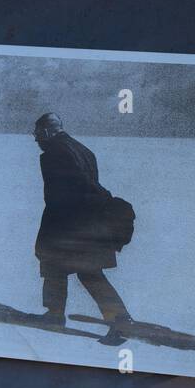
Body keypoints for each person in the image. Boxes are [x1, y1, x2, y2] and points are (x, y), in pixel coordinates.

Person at [32, 112, 133, 346]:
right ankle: (54, 314)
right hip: (87, 221)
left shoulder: (54, 154)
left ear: (48, 131)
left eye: (37, 134)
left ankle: (120, 320)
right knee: (57, 267)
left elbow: (71, 190)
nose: (36, 139)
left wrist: (52, 229)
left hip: (71, 223)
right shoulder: (82, 149)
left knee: (87, 273)